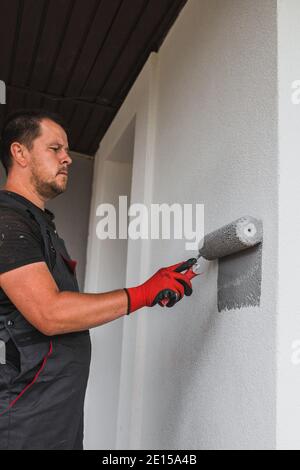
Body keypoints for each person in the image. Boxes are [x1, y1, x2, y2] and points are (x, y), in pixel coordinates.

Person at [0, 109, 196, 450]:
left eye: (67, 150)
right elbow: (49, 313)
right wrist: (143, 293)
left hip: (57, 420)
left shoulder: (41, 225)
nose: (67, 159)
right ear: (20, 153)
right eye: (55, 148)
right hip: (23, 423)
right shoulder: (8, 222)